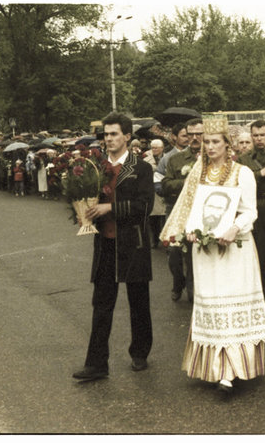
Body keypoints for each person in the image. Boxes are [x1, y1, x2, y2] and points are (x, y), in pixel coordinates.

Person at [160, 117, 265, 394]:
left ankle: (234, 370)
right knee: (211, 304)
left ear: (227, 144)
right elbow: (190, 212)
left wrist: (235, 228)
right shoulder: (197, 175)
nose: (209, 147)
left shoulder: (242, 173)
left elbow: (250, 211)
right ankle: (216, 368)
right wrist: (190, 231)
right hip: (205, 252)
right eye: (206, 142)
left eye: (215, 142)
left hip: (235, 250)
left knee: (233, 305)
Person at [72, 111, 154, 381]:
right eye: (105, 134)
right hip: (105, 244)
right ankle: (96, 364)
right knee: (102, 304)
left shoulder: (140, 167)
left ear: (127, 136)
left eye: (114, 134)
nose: (108, 139)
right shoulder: (95, 166)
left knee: (138, 302)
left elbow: (145, 207)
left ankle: (140, 353)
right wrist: (81, 209)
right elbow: (84, 197)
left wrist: (111, 208)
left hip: (133, 243)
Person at [237, 119, 265, 316]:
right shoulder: (245, 159)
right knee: (261, 254)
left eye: (262, 135)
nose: (259, 139)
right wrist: (258, 173)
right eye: (255, 135)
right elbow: (239, 179)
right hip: (256, 205)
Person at [161, 118, 203, 302]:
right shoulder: (175, 159)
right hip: (179, 210)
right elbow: (165, 184)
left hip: (202, 212)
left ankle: (194, 292)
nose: (194, 138)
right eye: (190, 134)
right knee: (174, 251)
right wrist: (185, 183)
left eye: (199, 134)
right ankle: (178, 282)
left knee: (196, 252)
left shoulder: (212, 157)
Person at [143, 139, 166, 248]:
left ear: (162, 148)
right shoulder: (146, 160)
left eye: (157, 148)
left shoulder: (168, 158)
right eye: (153, 148)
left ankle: (166, 238)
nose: (154, 150)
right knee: (153, 219)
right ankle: (155, 239)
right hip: (152, 191)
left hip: (164, 189)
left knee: (165, 216)